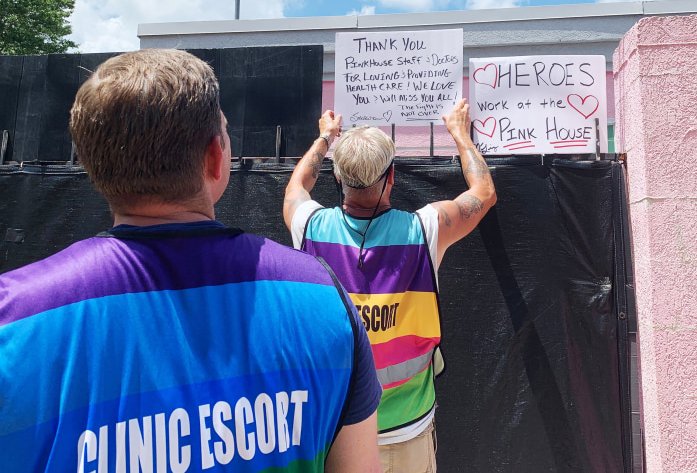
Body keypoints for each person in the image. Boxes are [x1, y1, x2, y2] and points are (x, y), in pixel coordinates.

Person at [0, 49, 382, 473]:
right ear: (215, 158)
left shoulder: (13, 317)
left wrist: (325, 138)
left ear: (94, 166)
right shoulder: (322, 295)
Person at [283, 99, 497, 472]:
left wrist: (324, 138)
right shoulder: (424, 230)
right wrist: (460, 134)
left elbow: (295, 187)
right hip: (406, 434)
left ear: (337, 178)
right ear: (392, 177)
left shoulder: (309, 227)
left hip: (335, 436)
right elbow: (483, 193)